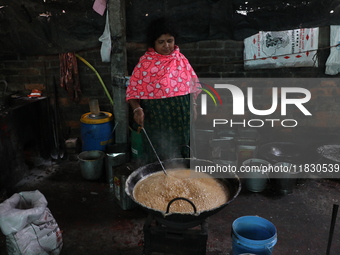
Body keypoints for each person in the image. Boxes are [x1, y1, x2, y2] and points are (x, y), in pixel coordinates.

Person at [126, 17, 200, 164]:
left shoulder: (181, 60)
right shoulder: (145, 64)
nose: (166, 46)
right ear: (153, 43)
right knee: (159, 150)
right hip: (157, 117)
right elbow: (132, 92)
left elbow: (192, 86)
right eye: (161, 42)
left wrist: (194, 106)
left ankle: (182, 177)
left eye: (170, 41)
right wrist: (137, 109)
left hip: (181, 116)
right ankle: (158, 178)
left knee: (182, 147)